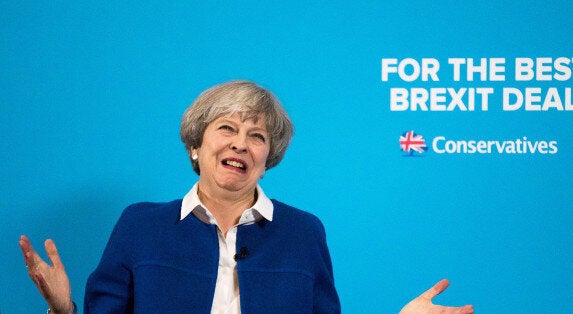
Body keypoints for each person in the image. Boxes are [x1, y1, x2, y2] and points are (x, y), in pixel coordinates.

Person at [20, 80, 474, 313]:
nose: (241, 143)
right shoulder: (140, 225)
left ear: (267, 156)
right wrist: (62, 311)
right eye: (227, 129)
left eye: (257, 136)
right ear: (196, 146)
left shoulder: (303, 232)